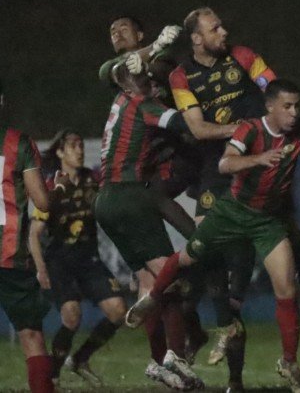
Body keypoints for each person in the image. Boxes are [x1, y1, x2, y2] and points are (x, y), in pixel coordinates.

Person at [127, 79, 300, 393]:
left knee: (285, 287)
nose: (294, 112)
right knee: (189, 255)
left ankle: (288, 362)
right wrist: (257, 160)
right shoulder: (251, 129)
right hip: (232, 212)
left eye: (297, 105)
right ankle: (153, 298)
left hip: (266, 222)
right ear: (270, 106)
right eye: (287, 106)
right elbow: (225, 162)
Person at [168, 7, 300, 388]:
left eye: (222, 24)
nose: (224, 30)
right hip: (219, 168)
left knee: (285, 228)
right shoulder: (181, 76)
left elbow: (273, 89)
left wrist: (281, 117)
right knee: (210, 254)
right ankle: (226, 330)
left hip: (264, 164)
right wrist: (243, 130)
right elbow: (199, 129)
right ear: (197, 38)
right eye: (214, 27)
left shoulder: (244, 56)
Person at [94, 65, 202, 390]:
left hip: (110, 199)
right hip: (133, 196)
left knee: (149, 283)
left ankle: (159, 363)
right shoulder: (146, 106)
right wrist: (220, 124)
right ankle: (174, 357)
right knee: (169, 286)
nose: (155, 90)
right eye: (150, 84)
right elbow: (189, 124)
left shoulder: (121, 102)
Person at [28, 130, 126, 386]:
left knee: (118, 312)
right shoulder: (50, 187)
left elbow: (112, 217)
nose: (79, 150)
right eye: (72, 146)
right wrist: (41, 269)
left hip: (88, 258)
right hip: (59, 259)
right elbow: (34, 234)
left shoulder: (93, 182)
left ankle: (80, 359)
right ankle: (54, 373)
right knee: (71, 315)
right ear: (60, 152)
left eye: (81, 145)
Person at [0, 79, 54, 393]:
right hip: (10, 254)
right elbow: (43, 202)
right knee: (31, 335)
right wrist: (56, 190)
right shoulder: (17, 142)